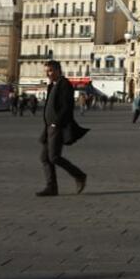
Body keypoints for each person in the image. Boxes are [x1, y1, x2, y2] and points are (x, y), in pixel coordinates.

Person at [37, 60, 88, 197]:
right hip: (48, 127)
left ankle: (80, 175)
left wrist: (56, 123)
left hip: (56, 127)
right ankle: (51, 187)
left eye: (51, 70)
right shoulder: (52, 85)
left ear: (58, 70)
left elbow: (67, 106)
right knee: (44, 157)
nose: (48, 73)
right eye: (47, 71)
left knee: (53, 157)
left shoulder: (65, 84)